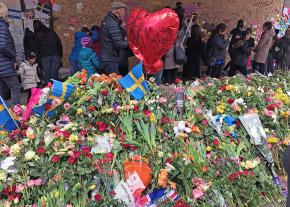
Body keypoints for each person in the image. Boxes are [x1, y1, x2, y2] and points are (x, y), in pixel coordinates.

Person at [0, 3, 20, 105]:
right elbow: (3, 46)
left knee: (2, 90)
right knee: (15, 87)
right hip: (4, 64)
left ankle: (2, 114)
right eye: (7, 16)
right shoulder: (2, 26)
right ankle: (17, 112)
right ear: (4, 16)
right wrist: (13, 55)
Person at [100, 2, 128, 75]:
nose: (124, 14)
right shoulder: (112, 23)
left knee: (112, 81)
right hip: (110, 58)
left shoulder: (110, 20)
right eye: (124, 11)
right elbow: (119, 44)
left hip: (109, 56)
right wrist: (131, 42)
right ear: (118, 10)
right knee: (113, 83)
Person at [33, 20, 63, 84]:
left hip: (45, 56)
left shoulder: (37, 35)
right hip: (56, 54)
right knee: (54, 73)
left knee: (47, 74)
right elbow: (59, 43)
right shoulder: (51, 32)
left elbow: (36, 49)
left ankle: (48, 90)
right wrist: (60, 54)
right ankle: (56, 90)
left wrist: (38, 60)